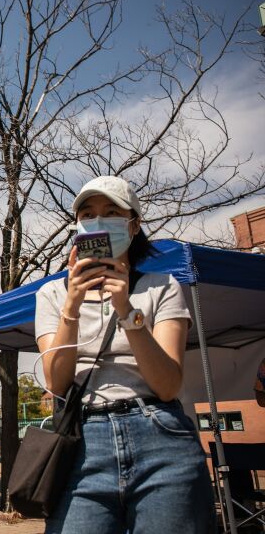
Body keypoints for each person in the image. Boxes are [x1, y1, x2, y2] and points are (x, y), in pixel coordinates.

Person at [36, 175, 215, 533]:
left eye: (111, 212)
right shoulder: (52, 294)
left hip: (159, 434)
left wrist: (126, 309)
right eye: (87, 213)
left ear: (133, 225)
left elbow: (167, 386)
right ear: (77, 227)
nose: (98, 220)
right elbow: (57, 382)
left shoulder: (161, 288)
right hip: (82, 442)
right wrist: (71, 305)